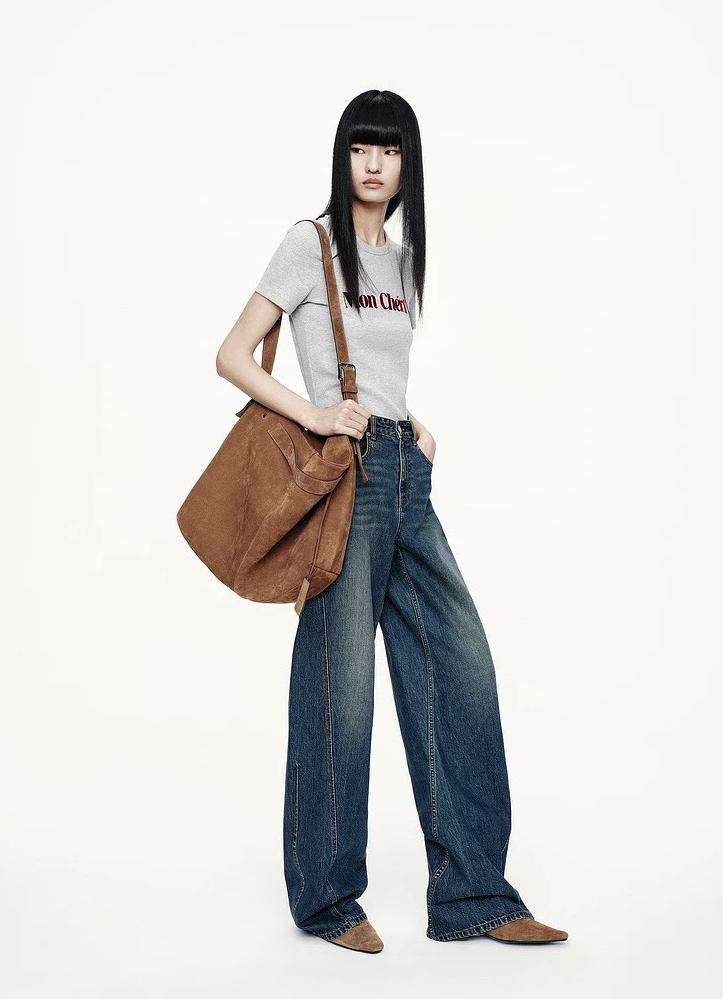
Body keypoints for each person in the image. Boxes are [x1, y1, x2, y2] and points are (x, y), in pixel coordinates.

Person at [215, 90, 568, 953]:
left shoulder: (404, 262)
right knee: (341, 689)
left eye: (391, 150)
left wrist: (412, 422)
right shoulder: (311, 245)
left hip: (407, 474)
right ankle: (327, 899)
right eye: (360, 148)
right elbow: (231, 353)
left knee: (461, 666)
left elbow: (380, 372)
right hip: (345, 482)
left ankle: (474, 894)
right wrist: (315, 413)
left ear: (408, 165)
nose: (374, 164)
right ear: (343, 157)